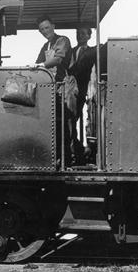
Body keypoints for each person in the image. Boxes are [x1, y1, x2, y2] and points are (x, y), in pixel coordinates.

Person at [34, 16, 72, 165]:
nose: (45, 31)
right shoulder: (45, 46)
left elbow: (57, 59)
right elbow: (38, 63)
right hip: (50, 89)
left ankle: (66, 161)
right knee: (53, 125)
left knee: (63, 124)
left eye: (47, 28)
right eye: (42, 29)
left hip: (62, 88)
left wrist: (41, 65)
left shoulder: (62, 40)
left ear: (53, 26)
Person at [65, 28, 94, 164]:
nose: (80, 36)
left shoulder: (92, 52)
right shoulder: (71, 51)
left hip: (81, 91)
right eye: (78, 34)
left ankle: (77, 152)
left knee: (72, 120)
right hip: (69, 89)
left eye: (83, 33)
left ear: (89, 36)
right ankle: (77, 152)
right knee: (70, 121)